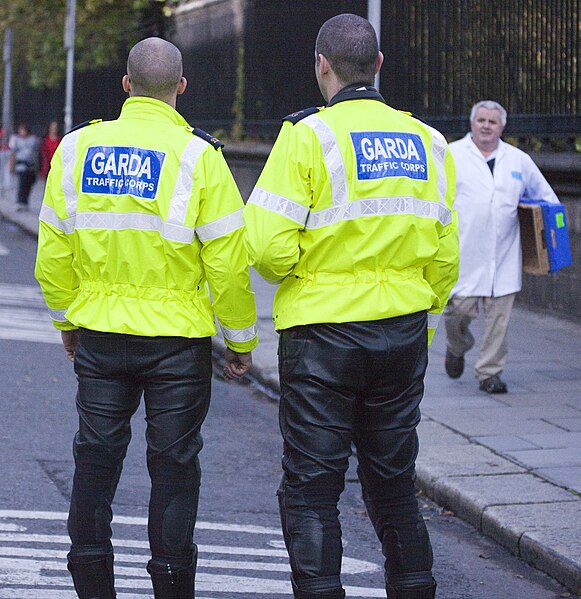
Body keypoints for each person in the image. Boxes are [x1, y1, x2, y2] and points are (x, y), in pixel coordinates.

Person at [244, 13, 458, 599]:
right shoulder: (430, 142)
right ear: (380, 65)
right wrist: (421, 314)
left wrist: (306, 275)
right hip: (403, 330)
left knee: (313, 486)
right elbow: (445, 253)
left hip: (323, 334)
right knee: (393, 483)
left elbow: (264, 246)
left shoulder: (308, 136)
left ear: (322, 65)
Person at [35, 37, 258, 599]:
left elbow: (53, 253)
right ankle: (172, 585)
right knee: (175, 468)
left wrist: (68, 323)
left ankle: (91, 584)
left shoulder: (78, 148)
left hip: (102, 336)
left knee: (95, 460)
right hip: (177, 343)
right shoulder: (200, 157)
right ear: (181, 87)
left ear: (126, 84)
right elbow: (227, 261)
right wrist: (240, 340)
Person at [444, 100, 560, 394]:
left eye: (492, 122)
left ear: (502, 127)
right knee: (457, 314)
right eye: (481, 120)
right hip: (466, 255)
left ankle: (489, 374)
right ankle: (457, 347)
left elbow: (547, 199)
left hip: (505, 255)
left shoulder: (518, 160)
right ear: (472, 124)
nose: (486, 125)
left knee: (499, 320)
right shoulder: (452, 156)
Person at [9, 122, 39, 211]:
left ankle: (25, 201)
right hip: (21, 166)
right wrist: (11, 165)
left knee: (29, 184)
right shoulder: (17, 140)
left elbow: (36, 153)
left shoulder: (33, 139)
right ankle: (20, 202)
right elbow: (13, 153)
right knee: (22, 184)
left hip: (30, 166)